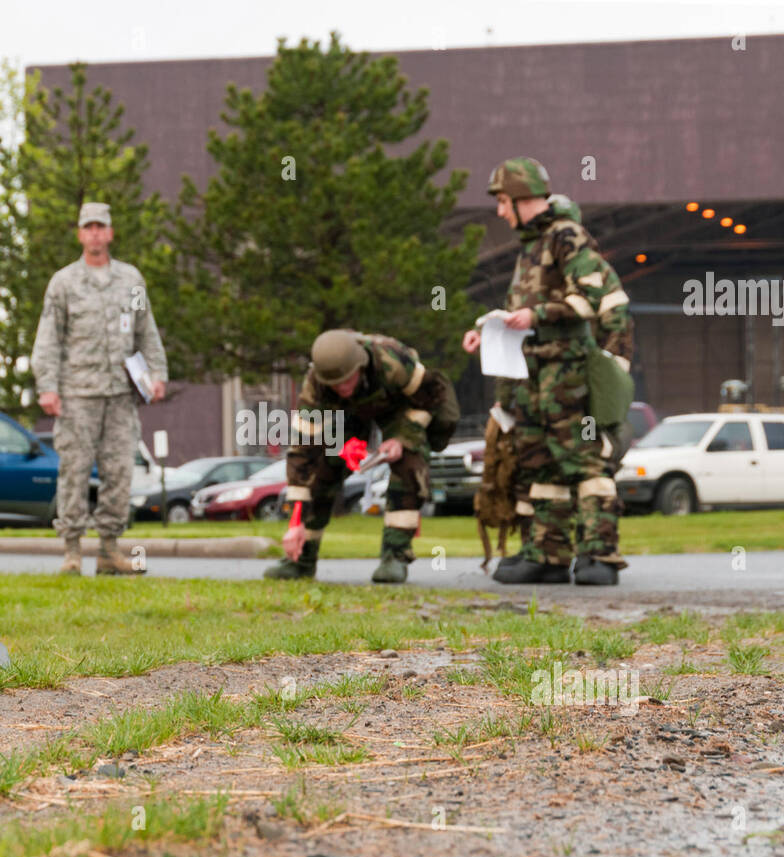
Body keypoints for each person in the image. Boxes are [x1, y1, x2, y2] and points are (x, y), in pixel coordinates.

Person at [467, 158, 631, 585]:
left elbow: (593, 295)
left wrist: (535, 315)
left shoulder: (566, 237)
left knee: (582, 460)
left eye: (504, 202)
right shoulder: (532, 246)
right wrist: (487, 331)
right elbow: (525, 311)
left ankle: (600, 556)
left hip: (567, 374)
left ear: (524, 199)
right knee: (540, 466)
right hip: (532, 373)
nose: (500, 212)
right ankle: (548, 555)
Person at [31, 201, 168, 576]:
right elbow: (48, 338)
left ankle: (109, 550)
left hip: (121, 396)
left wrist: (157, 373)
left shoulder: (131, 280)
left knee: (119, 470)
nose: (94, 233)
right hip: (77, 395)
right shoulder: (64, 283)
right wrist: (48, 386)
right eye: (88, 227)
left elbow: (146, 331)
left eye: (100, 227)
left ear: (110, 232)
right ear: (80, 233)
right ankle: (72, 552)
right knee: (74, 471)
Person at [265, 330, 459, 584]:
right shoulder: (316, 385)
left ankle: (395, 556)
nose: (343, 388)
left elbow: (431, 397)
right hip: (351, 414)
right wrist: (295, 520)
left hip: (402, 406)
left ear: (361, 366)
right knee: (323, 463)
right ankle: (301, 559)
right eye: (336, 384)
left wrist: (403, 438)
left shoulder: (393, 362)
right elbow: (303, 451)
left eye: (347, 379)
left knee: (410, 461)